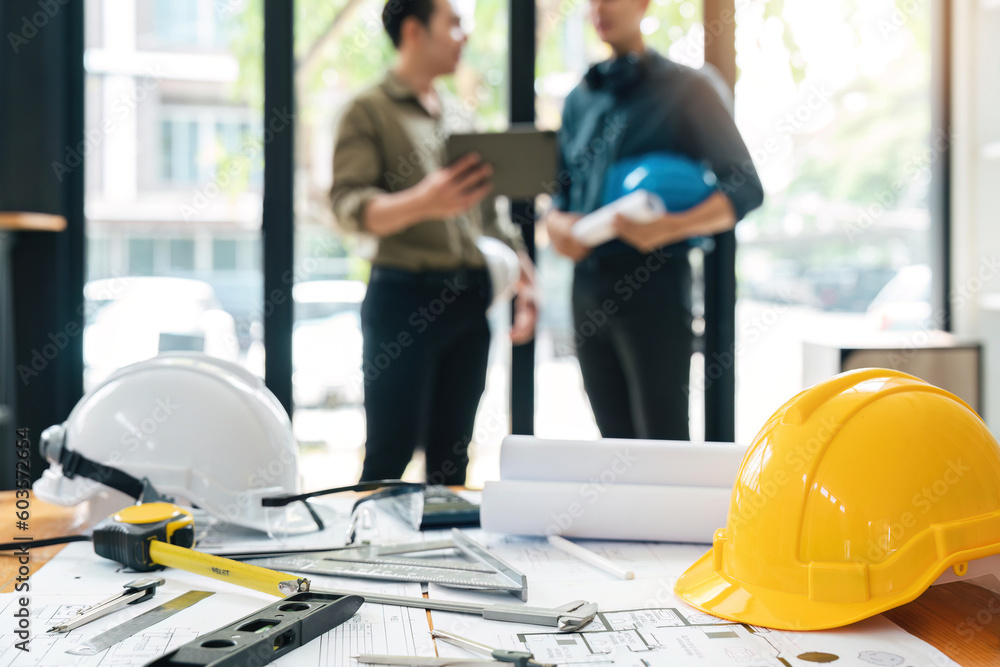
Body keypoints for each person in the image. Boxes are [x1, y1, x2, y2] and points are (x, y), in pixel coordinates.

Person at [329, 0, 538, 485]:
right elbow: (348, 205)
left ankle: (446, 561)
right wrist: (423, 201)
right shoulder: (368, 111)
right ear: (414, 30)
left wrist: (527, 282)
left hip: (469, 300)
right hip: (404, 298)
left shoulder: (457, 115)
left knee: (452, 461)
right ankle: (369, 559)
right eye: (455, 23)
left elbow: (491, 216)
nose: (465, 34)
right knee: (389, 455)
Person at [544, 0, 763, 440]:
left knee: (662, 443)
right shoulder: (578, 100)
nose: (600, 8)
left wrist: (669, 227)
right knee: (613, 445)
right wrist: (556, 226)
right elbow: (559, 197)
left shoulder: (688, 89)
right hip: (587, 289)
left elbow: (745, 190)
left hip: (654, 288)